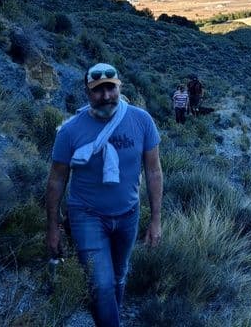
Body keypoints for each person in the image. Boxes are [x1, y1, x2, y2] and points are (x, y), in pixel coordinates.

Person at [46, 62, 163, 327]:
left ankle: (110, 317)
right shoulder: (70, 130)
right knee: (101, 284)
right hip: (86, 215)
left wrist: (156, 220)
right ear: (88, 93)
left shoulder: (141, 120)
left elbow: (154, 172)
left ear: (119, 86)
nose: (106, 96)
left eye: (111, 88)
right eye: (98, 90)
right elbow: (56, 180)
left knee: (119, 275)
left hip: (128, 215)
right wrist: (52, 226)